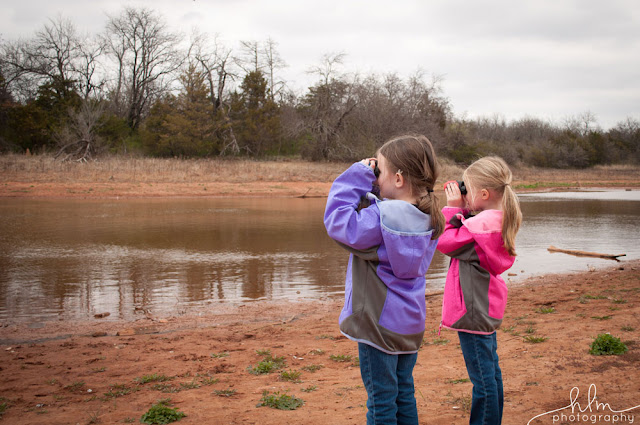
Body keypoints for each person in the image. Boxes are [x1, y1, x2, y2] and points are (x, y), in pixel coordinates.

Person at [324, 134, 445, 425]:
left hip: (377, 328)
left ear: (399, 179)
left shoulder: (380, 220)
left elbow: (338, 220)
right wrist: (373, 191)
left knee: (381, 403)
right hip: (409, 323)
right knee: (403, 395)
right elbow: (392, 214)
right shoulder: (429, 219)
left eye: (381, 173)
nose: (377, 180)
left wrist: (357, 176)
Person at [438, 156, 523, 425]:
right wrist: (467, 209)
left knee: (483, 382)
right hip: (485, 307)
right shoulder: (493, 222)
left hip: (473, 312)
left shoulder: (477, 230)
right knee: (491, 374)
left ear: (484, 194)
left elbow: (445, 242)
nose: (464, 193)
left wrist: (452, 209)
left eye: (469, 189)